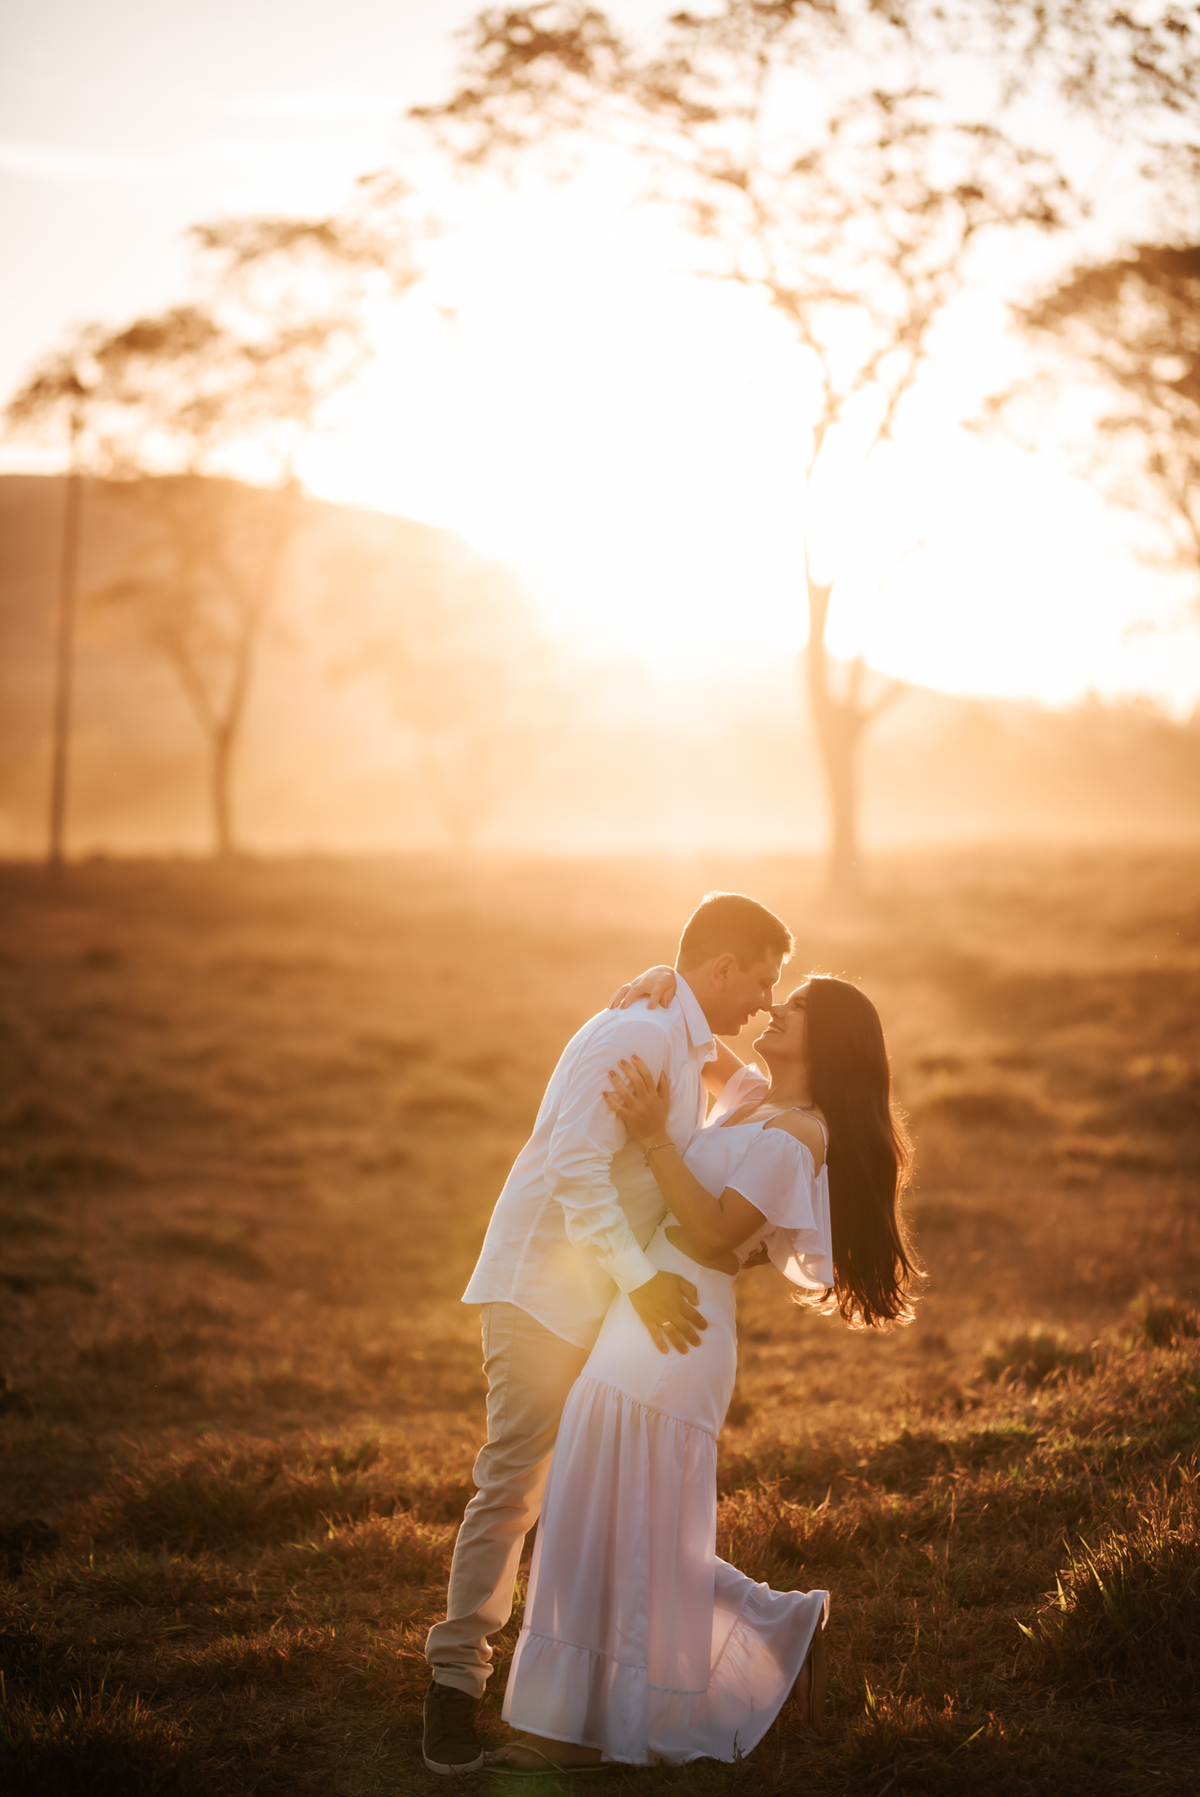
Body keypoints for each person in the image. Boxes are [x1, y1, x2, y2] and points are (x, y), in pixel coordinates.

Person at [489, 971, 918, 1772]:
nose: (773, 1007)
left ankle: (581, 1731)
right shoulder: (755, 1089)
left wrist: (655, 1135)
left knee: (622, 1515)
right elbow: (700, 1035)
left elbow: (720, 1233)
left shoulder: (803, 1134)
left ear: (824, 1041)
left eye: (792, 1008)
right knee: (607, 1508)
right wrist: (666, 973)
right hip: (643, 1304)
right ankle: (775, 1623)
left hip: (680, 1322)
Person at [422, 892, 794, 1775]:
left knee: (578, 1493)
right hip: (542, 1290)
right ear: (722, 967)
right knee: (514, 1485)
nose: (767, 1004)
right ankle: (451, 1691)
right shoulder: (635, 1034)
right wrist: (639, 1277)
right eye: (762, 981)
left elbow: (771, 1089)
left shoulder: (681, 1032)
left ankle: (558, 1695)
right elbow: (574, 1165)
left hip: (604, 1299)